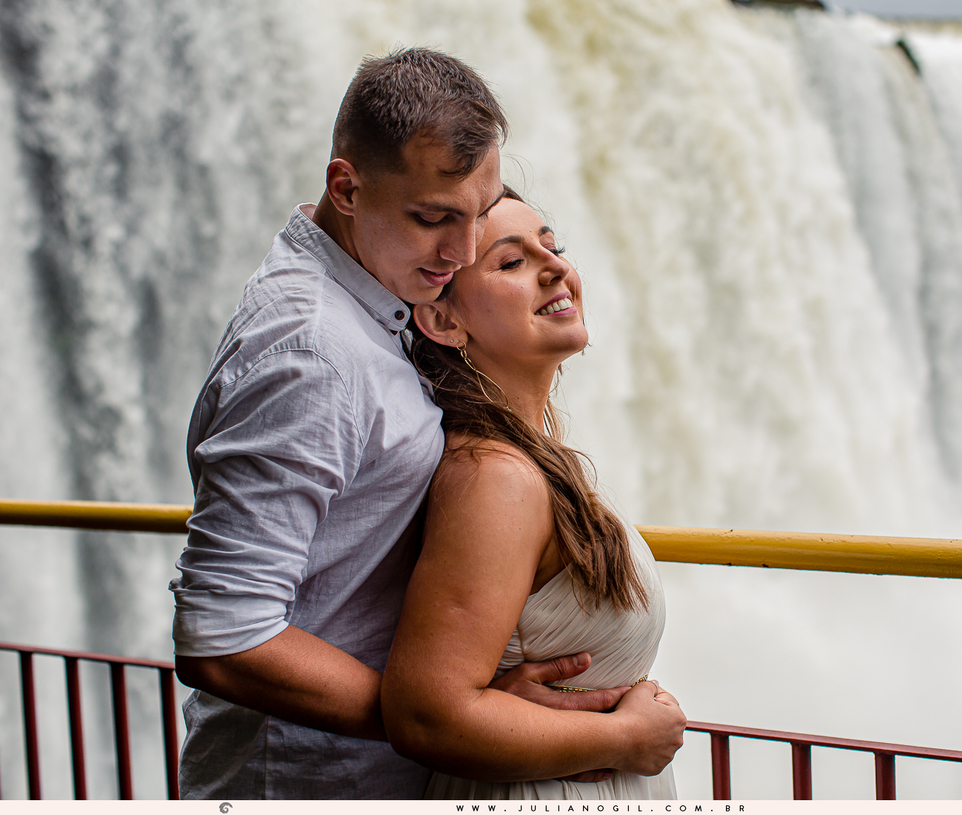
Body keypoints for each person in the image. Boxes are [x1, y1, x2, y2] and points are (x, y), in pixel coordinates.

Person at [170, 48, 680, 799]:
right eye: (434, 218)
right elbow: (223, 636)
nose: (462, 250)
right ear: (346, 187)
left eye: (477, 214)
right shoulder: (312, 349)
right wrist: (457, 716)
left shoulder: (380, 299)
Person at [381, 190, 684, 799]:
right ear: (444, 319)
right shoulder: (496, 477)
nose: (556, 268)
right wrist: (624, 741)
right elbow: (424, 714)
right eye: (511, 262)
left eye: (553, 246)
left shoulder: (529, 460)